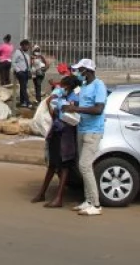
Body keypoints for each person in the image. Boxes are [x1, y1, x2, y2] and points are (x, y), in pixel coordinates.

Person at [63, 58, 108, 217]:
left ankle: (95, 204)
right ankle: (88, 200)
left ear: (88, 71)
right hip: (82, 128)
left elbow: (98, 109)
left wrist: (77, 108)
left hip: (93, 131)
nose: (78, 73)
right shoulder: (83, 86)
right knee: (82, 166)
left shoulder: (99, 85)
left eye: (80, 70)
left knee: (85, 166)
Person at [32, 75, 81, 207]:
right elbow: (54, 115)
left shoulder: (74, 99)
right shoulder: (62, 97)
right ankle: (42, 193)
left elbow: (70, 117)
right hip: (57, 132)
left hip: (66, 134)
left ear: (69, 87)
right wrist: (50, 103)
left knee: (64, 166)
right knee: (53, 164)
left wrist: (59, 106)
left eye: (64, 86)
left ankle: (58, 198)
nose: (62, 88)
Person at [12, 39, 33, 108]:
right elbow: (13, 62)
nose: (28, 47)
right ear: (23, 45)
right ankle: (28, 102)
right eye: (27, 46)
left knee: (23, 87)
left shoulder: (26, 54)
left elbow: (27, 64)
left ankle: (22, 102)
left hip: (26, 72)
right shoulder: (17, 52)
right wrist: (18, 71)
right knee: (24, 87)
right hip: (21, 73)